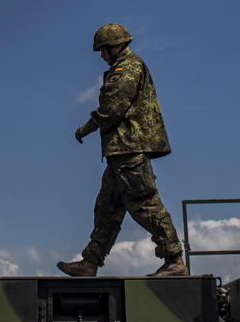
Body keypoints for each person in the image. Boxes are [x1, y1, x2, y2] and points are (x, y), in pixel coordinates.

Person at [57, 23, 187, 277]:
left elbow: (113, 107)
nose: (102, 56)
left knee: (145, 205)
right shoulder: (122, 67)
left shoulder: (128, 67)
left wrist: (87, 126)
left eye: (103, 50)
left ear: (115, 46)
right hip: (120, 151)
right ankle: (90, 261)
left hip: (129, 148)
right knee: (107, 207)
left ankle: (174, 259)